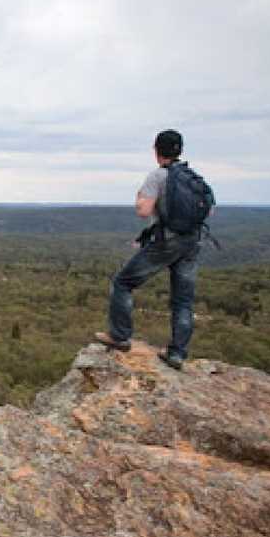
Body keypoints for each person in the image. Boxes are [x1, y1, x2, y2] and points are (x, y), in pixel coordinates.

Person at [94, 129, 202, 370]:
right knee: (183, 301)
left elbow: (143, 210)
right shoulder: (192, 177)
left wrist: (141, 197)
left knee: (123, 283)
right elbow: (209, 210)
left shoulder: (159, 176)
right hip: (192, 242)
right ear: (179, 150)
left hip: (167, 242)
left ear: (156, 151)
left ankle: (120, 336)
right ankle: (177, 353)